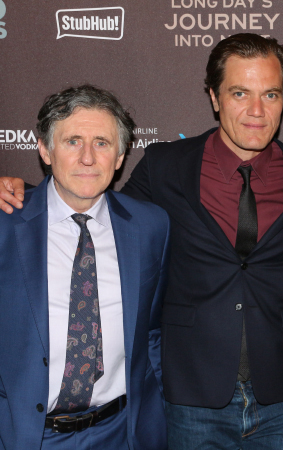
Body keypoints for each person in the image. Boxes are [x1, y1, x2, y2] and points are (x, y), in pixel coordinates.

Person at [0, 33, 283, 449]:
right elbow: (92, 205)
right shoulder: (165, 166)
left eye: (271, 94)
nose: (256, 111)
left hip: (282, 396)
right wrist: (24, 195)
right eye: (240, 92)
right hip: (190, 397)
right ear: (214, 96)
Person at [0, 85, 170, 450]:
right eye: (73, 141)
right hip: (25, 436)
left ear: (121, 156)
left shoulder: (150, 226)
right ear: (45, 149)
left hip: (120, 433)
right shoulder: (5, 223)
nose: (88, 158)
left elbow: (152, 330)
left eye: (103, 143)